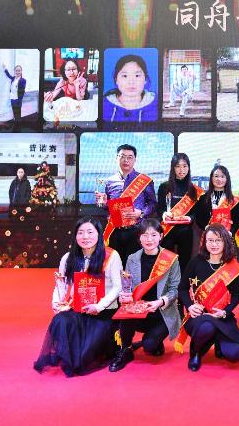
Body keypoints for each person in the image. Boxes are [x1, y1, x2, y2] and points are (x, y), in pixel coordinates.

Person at [34, 217, 123, 377]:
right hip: (79, 310)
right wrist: (56, 303)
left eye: (90, 232)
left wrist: (99, 306)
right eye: (80, 233)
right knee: (60, 320)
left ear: (99, 234)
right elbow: (61, 284)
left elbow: (118, 287)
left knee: (82, 360)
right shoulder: (68, 258)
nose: (85, 237)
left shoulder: (111, 256)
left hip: (103, 313)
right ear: (75, 236)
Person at [109, 219, 182, 372]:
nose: (149, 239)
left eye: (154, 235)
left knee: (150, 346)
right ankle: (126, 349)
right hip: (139, 311)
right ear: (139, 238)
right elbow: (127, 286)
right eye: (145, 235)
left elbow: (175, 290)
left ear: (161, 236)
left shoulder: (171, 259)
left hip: (162, 311)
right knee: (124, 312)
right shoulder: (132, 258)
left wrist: (160, 302)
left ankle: (152, 341)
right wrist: (125, 295)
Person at [177, 225, 239, 371]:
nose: (214, 244)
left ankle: (218, 340)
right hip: (199, 316)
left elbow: (237, 295)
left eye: (218, 240)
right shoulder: (196, 262)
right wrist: (190, 306)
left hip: (221, 315)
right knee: (208, 327)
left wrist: (225, 312)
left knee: (235, 354)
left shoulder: (232, 266)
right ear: (205, 242)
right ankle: (195, 352)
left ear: (225, 241)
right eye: (210, 240)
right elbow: (182, 288)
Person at [96, 144, 157, 263]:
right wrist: (103, 203)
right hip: (115, 230)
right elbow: (107, 207)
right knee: (114, 265)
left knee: (134, 266)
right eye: (122, 156)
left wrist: (141, 213)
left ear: (135, 160)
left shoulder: (144, 180)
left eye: (130, 157)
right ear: (117, 158)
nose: (126, 160)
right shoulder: (109, 181)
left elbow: (153, 204)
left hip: (136, 230)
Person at [157, 153, 201, 272]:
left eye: (184, 166)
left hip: (186, 231)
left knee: (184, 263)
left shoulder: (194, 190)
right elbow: (159, 208)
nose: (181, 170)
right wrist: (163, 214)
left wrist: (190, 218)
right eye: (178, 166)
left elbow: (197, 212)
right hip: (167, 230)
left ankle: (182, 284)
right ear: (173, 168)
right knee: (166, 264)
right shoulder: (164, 187)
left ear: (189, 167)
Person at [103, 54, 157, 122]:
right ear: (116, 80)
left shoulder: (156, 105)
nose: (131, 82)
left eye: (137, 75)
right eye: (125, 76)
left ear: (145, 79)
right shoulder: (103, 105)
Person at [195, 165, 239, 234]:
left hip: (227, 236)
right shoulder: (203, 198)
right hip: (208, 236)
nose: (219, 179)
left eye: (222, 176)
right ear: (211, 178)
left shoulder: (233, 200)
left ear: (227, 179)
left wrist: (230, 233)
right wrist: (206, 227)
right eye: (216, 176)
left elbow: (236, 221)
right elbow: (199, 218)